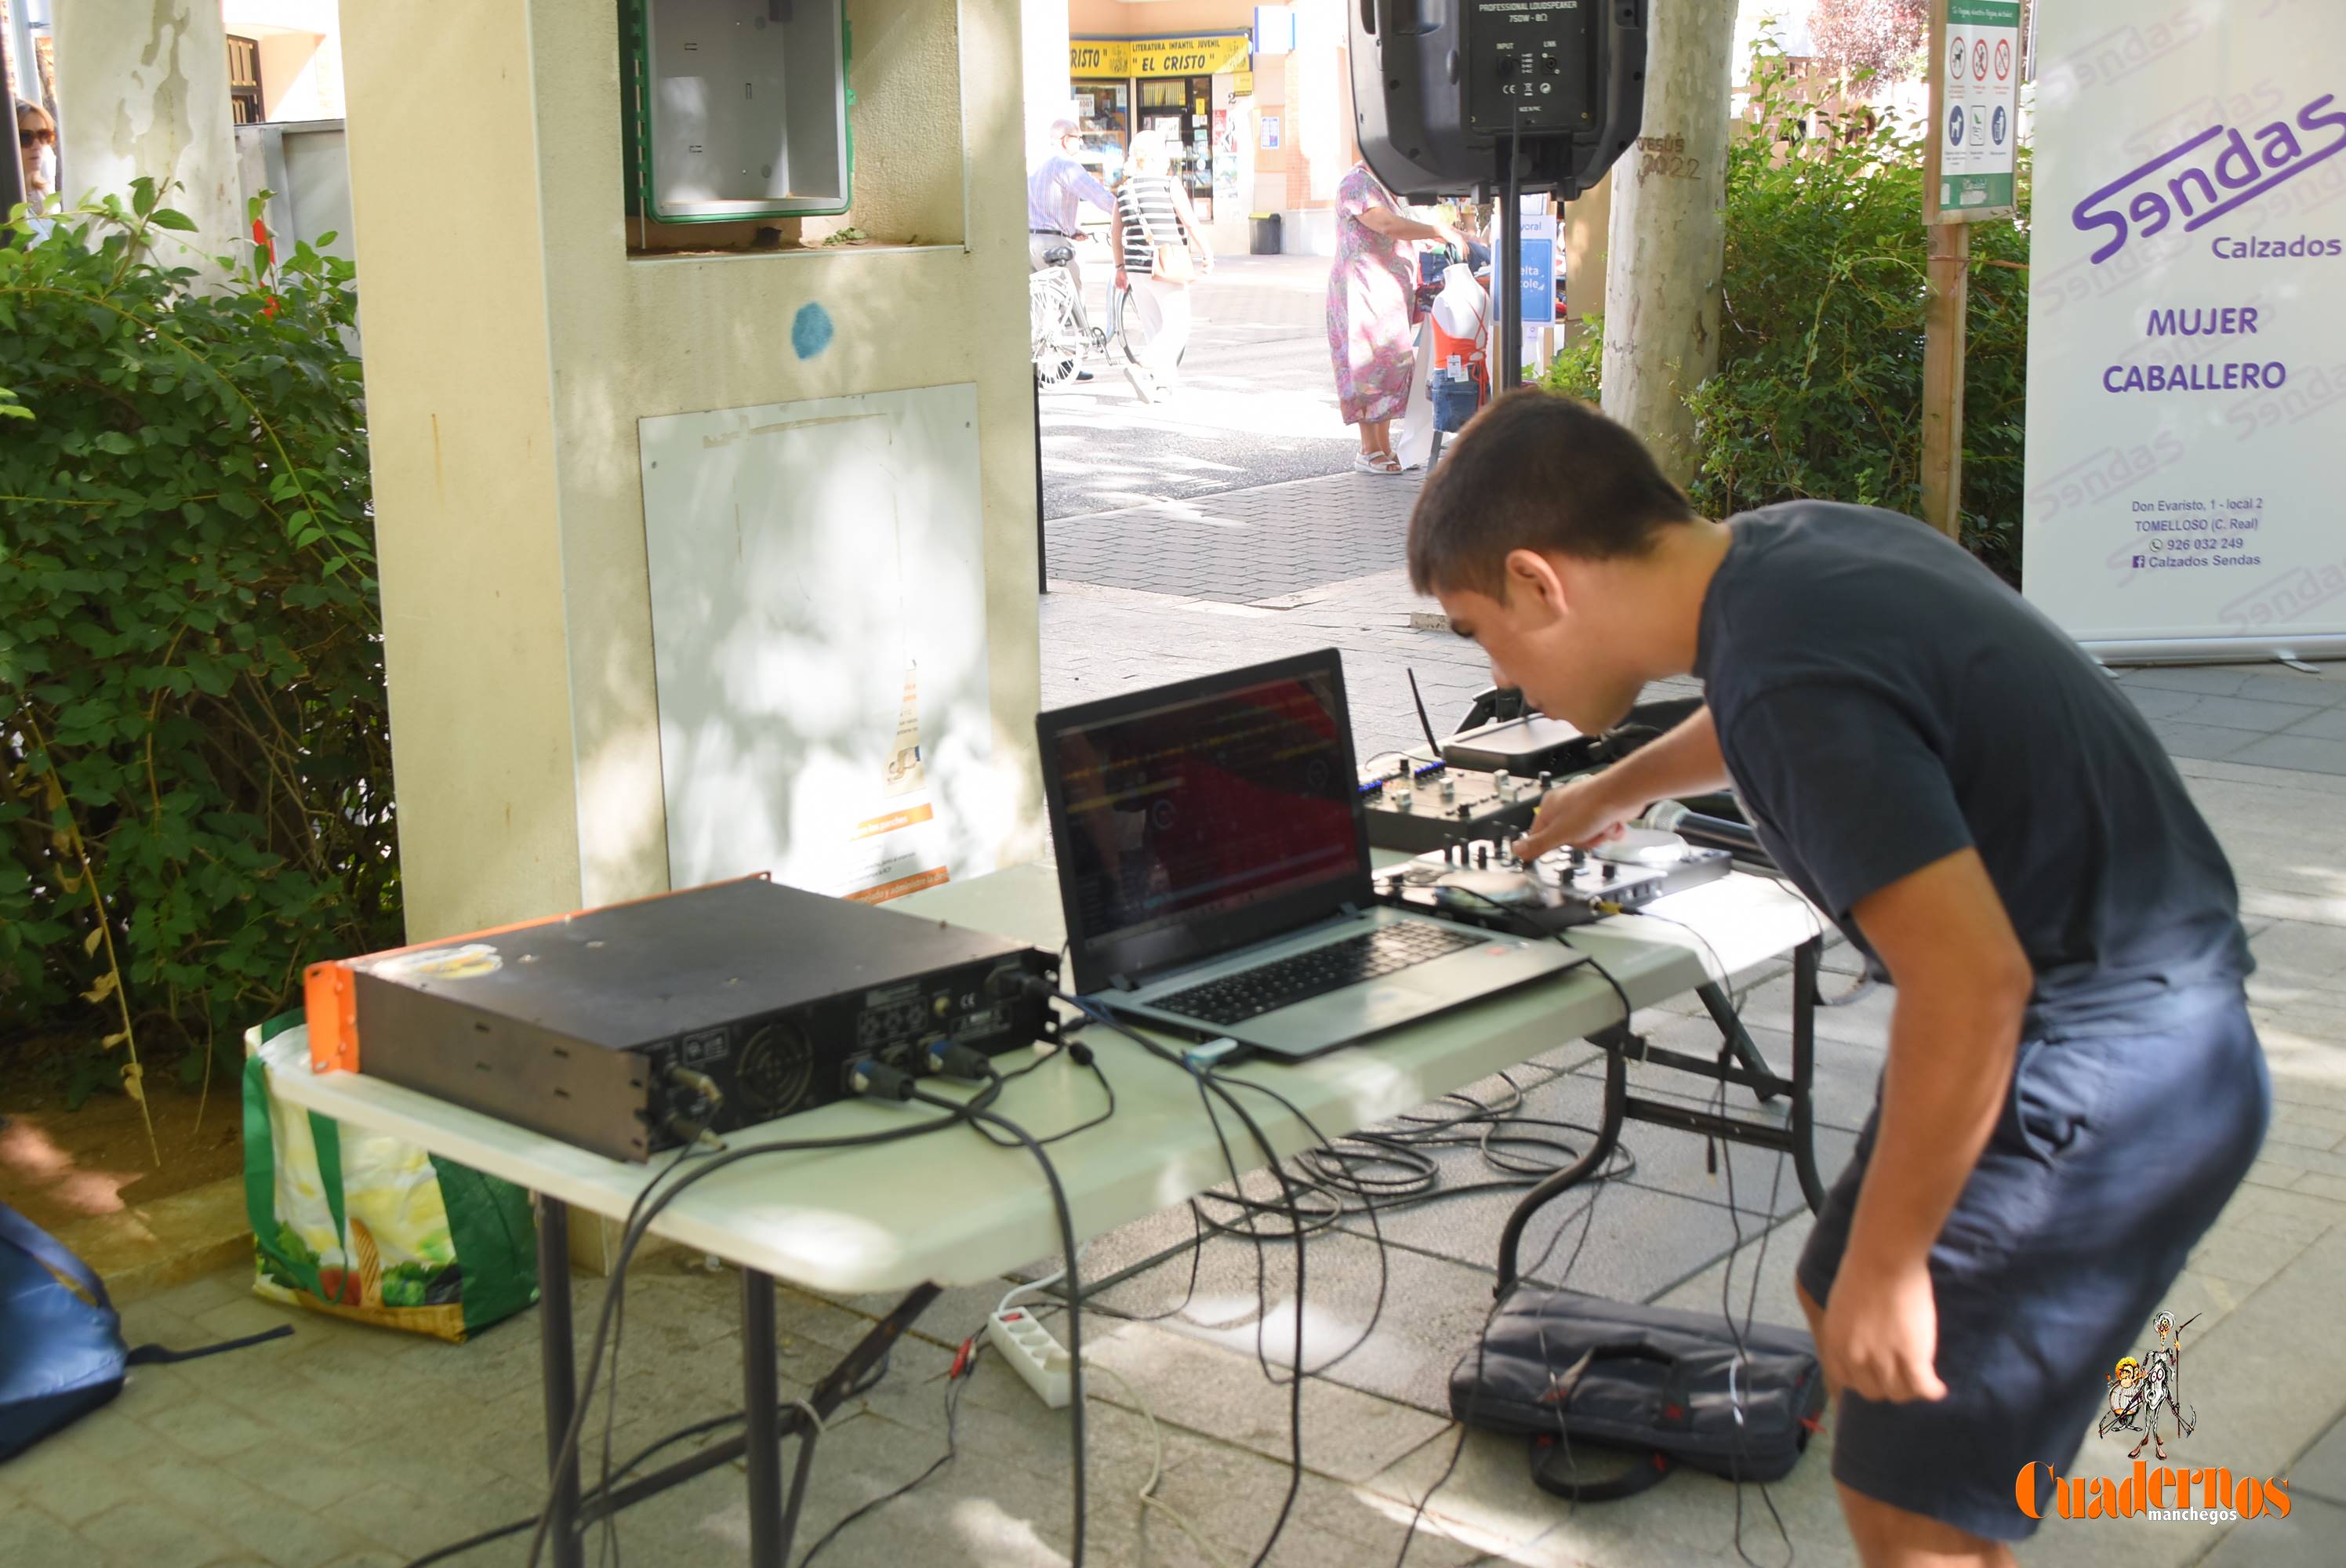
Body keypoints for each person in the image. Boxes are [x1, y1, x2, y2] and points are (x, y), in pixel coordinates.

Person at [1407, 390, 2268, 1566]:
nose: (1498, 675)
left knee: (1918, 1516)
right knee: (1834, 1293)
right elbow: (1778, 703)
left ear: (1541, 582)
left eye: (1477, 630)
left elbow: (1971, 986)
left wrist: (1898, 1263)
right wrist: (1620, 785)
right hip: (2154, 1014)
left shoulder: (1781, 678)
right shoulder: (1789, 553)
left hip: (2104, 1074)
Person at [1327, 160, 1468, 474]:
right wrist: (1437, 231)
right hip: (1362, 292)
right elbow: (1387, 225)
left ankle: (1384, 447)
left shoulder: (1381, 186)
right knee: (1368, 366)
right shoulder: (1356, 183)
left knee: (1389, 366)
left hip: (1384, 293)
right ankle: (1368, 450)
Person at [1113, 131, 1211, 405]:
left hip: (1135, 266)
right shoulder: (1169, 184)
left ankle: (1162, 384)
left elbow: (1115, 232)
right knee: (1179, 323)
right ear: (1159, 156)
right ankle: (1141, 365)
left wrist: (1119, 267)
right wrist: (1207, 252)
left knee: (1154, 327)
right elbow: (1189, 221)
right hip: (1165, 262)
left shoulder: (1124, 189)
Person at [1027, 117, 1117, 355]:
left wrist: (1071, 229)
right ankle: (1079, 352)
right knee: (1073, 294)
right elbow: (1097, 194)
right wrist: (1123, 209)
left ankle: (1040, 361)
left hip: (1029, 241)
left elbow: (1043, 207)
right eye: (1078, 138)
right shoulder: (1066, 165)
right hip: (1051, 243)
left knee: (1040, 304)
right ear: (1066, 140)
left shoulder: (1036, 164)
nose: (1080, 142)